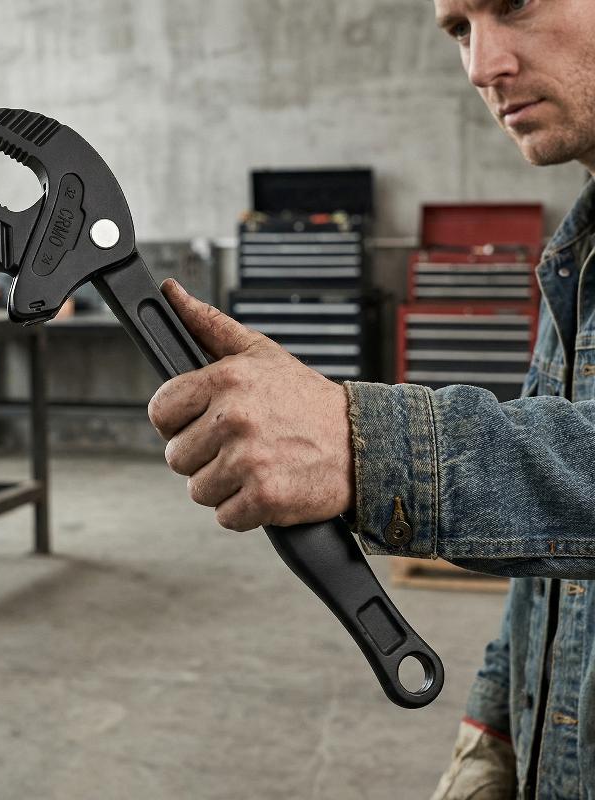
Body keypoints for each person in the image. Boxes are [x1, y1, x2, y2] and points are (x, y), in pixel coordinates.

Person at [147, 0, 595, 797]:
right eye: (459, 29)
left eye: (515, 4)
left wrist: (364, 445)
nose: (482, 66)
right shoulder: (577, 252)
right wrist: (492, 731)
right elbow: (561, 563)